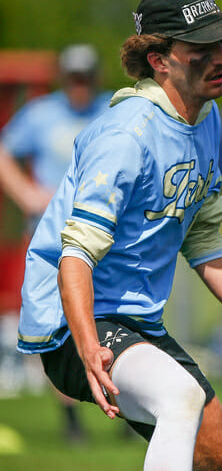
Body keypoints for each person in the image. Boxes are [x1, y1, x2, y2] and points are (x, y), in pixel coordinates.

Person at [16, 0, 222, 470]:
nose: (220, 57)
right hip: (73, 325)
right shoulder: (126, 134)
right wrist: (88, 347)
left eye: (221, 44)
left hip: (137, 326)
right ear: (159, 60)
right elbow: (74, 257)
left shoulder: (206, 119)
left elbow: (202, 239)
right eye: (200, 48)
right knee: (179, 397)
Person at [0, 43, 112, 442]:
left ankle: (127, 404)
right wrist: (28, 193)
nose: (79, 87)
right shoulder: (42, 114)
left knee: (114, 316)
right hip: (53, 236)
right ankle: (71, 419)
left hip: (101, 234)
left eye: (86, 78)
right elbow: (4, 152)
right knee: (58, 322)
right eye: (73, 78)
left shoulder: (109, 110)